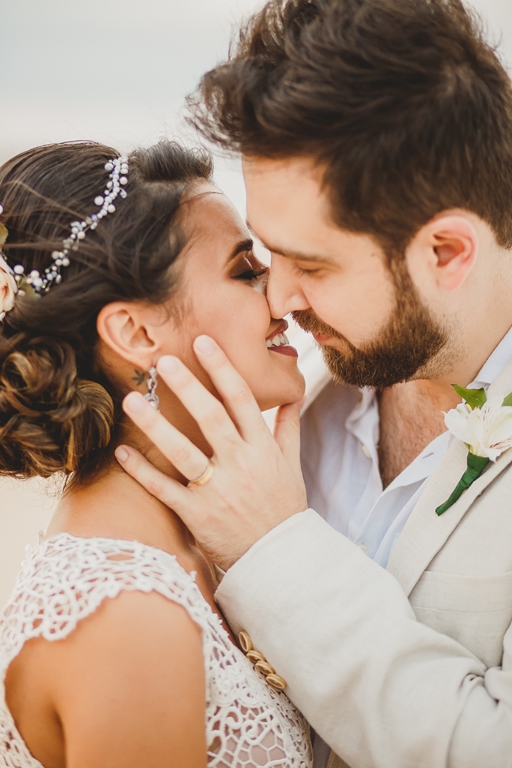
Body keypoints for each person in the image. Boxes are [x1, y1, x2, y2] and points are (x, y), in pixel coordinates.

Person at [116, 1, 512, 766]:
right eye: (266, 255)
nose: (278, 299)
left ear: (448, 251)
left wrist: (273, 550)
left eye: (314, 265)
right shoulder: (310, 409)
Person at [0, 139, 313, 767]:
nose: (284, 299)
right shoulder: (122, 612)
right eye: (247, 272)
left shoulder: (198, 542)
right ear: (135, 333)